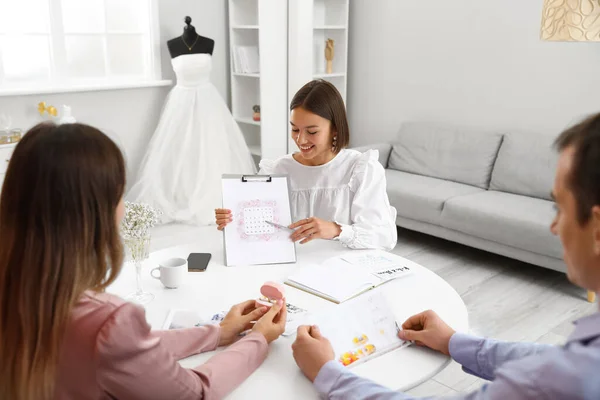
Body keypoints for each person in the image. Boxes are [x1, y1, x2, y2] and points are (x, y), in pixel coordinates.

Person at [291, 113, 600, 399]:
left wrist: (327, 373)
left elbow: (555, 374)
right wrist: (455, 341)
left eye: (559, 207)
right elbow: (550, 362)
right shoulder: (580, 360)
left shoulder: (577, 379)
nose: (554, 226)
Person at [0, 123, 286, 400]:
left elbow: (126, 350)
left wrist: (217, 333)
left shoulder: (26, 293)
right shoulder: (108, 321)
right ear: (93, 216)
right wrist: (258, 339)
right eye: (119, 195)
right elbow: (195, 393)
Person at [215, 80, 398, 250]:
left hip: (342, 269)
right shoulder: (278, 170)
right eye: (295, 129)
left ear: (335, 129)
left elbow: (383, 237)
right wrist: (232, 221)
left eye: (312, 131)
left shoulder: (361, 170)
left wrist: (335, 230)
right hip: (291, 268)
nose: (300, 139)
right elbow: (257, 227)